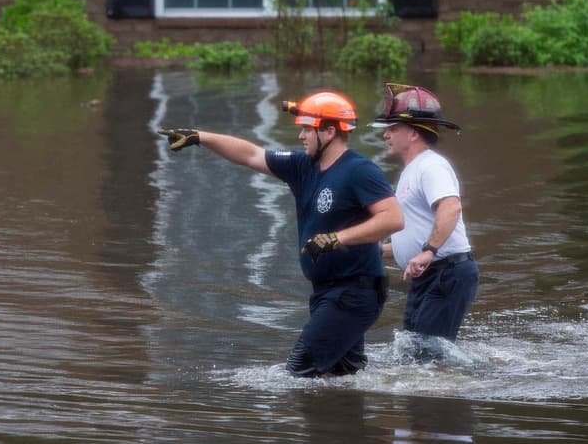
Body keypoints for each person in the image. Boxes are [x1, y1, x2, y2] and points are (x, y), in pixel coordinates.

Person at [157, 91, 403, 377]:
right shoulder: (302, 167)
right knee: (343, 377)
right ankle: (360, 406)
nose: (300, 136)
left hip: (354, 293)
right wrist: (201, 137)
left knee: (298, 372)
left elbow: (393, 218)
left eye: (307, 129)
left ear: (329, 132)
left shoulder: (360, 170)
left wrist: (337, 238)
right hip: (327, 292)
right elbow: (251, 155)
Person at [372, 83, 479, 347]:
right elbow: (416, 232)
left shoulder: (431, 166)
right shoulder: (412, 171)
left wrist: (428, 251)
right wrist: (375, 250)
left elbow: (451, 207)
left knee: (426, 355)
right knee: (415, 352)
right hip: (429, 273)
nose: (385, 134)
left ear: (413, 133)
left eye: (393, 127)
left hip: (446, 273)